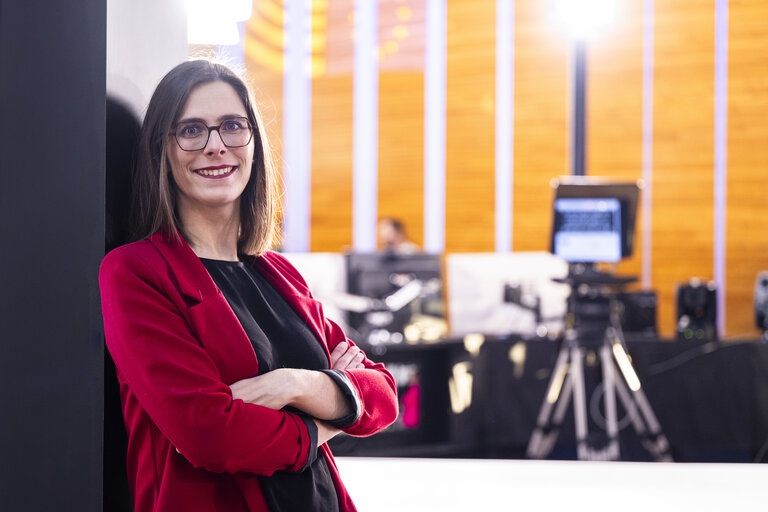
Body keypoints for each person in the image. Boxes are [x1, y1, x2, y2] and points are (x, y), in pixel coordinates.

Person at [99, 59, 399, 512]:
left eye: (233, 126)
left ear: (253, 142)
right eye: (192, 130)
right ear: (162, 148)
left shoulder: (280, 273)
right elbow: (210, 435)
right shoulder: (137, 272)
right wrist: (326, 420)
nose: (216, 146)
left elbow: (383, 393)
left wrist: (292, 384)